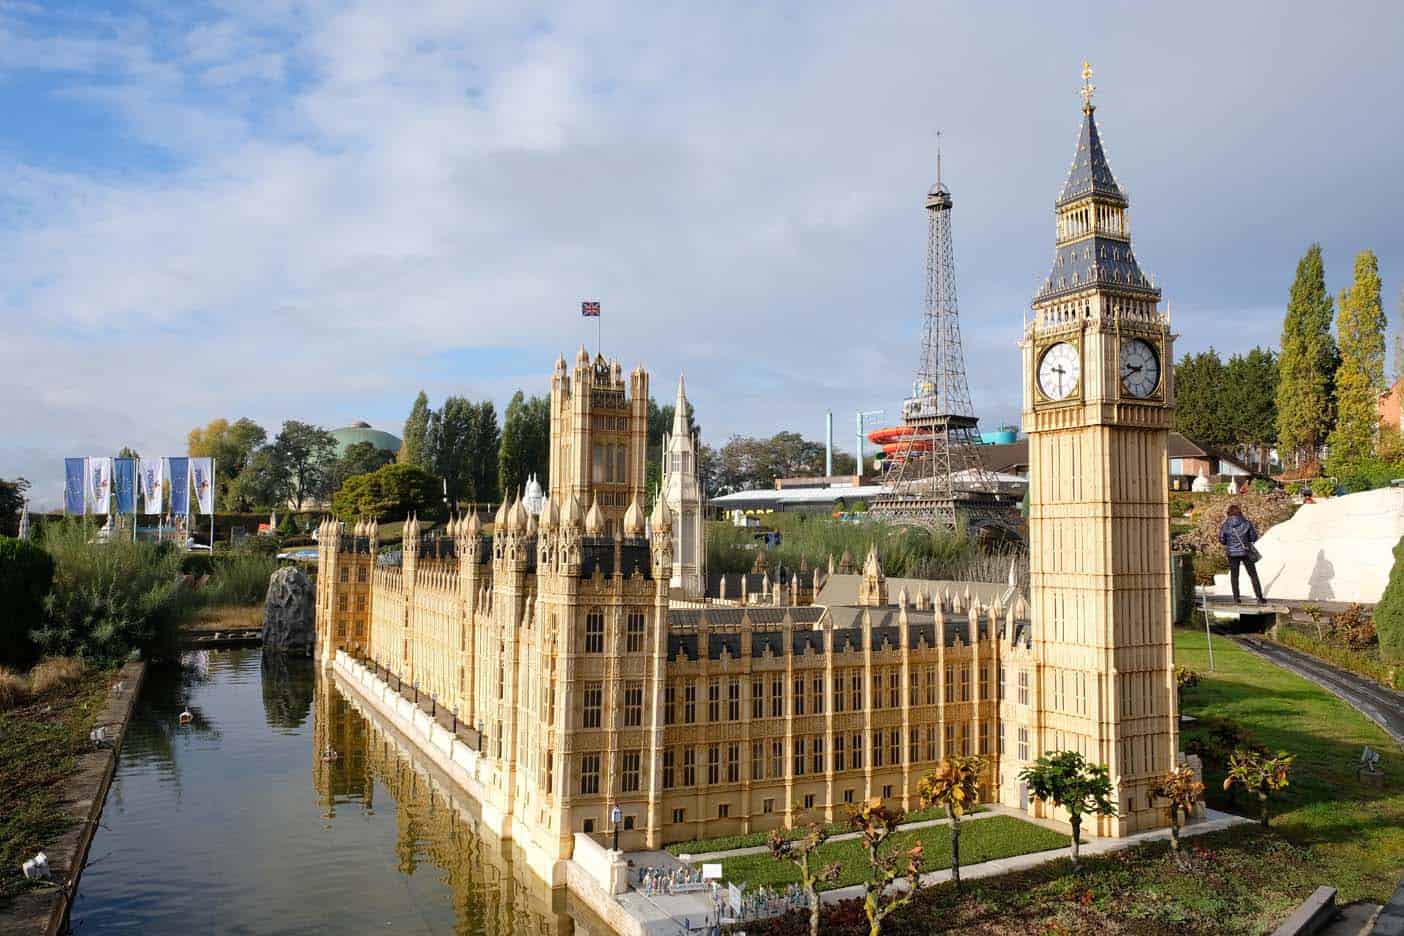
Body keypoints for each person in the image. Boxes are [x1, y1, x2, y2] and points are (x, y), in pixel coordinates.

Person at [1219, 504, 1265, 605]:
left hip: (1232, 553)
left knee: (1234, 576)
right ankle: (1259, 597)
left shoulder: (1225, 525)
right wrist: (1246, 540)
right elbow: (1254, 538)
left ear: (1228, 513)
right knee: (1253, 575)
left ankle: (1236, 598)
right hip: (1246, 551)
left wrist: (1230, 543)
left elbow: (1222, 540)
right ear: (1240, 512)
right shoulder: (1247, 523)